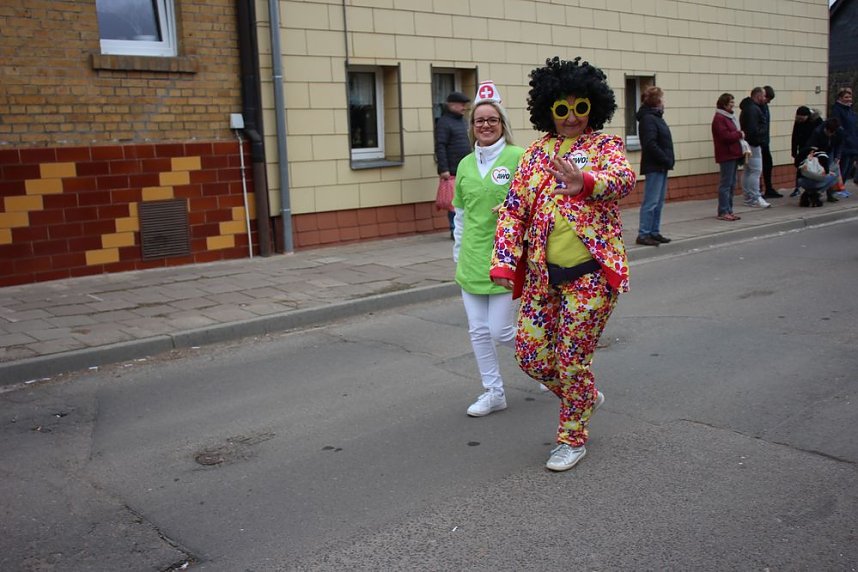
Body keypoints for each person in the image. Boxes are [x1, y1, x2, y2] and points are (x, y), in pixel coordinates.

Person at [489, 57, 636, 472]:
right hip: (542, 279)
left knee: (572, 361)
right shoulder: (535, 154)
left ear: (594, 107)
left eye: (580, 107)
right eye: (561, 108)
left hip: (590, 278)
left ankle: (571, 438)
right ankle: (583, 397)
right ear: (547, 109)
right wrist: (504, 262)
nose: (572, 117)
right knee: (531, 357)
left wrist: (585, 182)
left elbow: (623, 179)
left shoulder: (605, 147)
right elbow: (513, 210)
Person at [451, 82, 525, 417]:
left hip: (505, 260)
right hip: (471, 259)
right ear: (472, 126)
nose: (485, 125)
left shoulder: (518, 157)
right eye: (479, 120)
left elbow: (534, 207)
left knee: (501, 330)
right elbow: (461, 214)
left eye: (492, 119)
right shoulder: (465, 164)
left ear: (502, 123)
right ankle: (494, 392)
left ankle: (543, 357)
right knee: (479, 332)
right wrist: (457, 252)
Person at [635, 86, 675, 246]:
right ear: (656, 101)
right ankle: (644, 233)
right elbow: (650, 143)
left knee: (658, 202)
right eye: (661, 99)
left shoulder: (655, 117)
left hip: (661, 165)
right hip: (655, 165)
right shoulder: (648, 119)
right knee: (651, 202)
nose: (663, 102)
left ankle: (654, 231)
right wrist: (665, 158)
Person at [435, 91, 472, 238]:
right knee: (453, 201)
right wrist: (443, 168)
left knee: (464, 199)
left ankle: (463, 228)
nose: (464, 108)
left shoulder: (462, 121)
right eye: (461, 104)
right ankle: (453, 229)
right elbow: (440, 146)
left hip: (465, 168)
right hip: (451, 169)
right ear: (452, 105)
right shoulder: (444, 122)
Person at [711, 93, 746, 221]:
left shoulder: (729, 117)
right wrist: (739, 134)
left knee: (731, 183)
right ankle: (723, 211)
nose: (733, 105)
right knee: (726, 184)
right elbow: (725, 136)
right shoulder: (719, 118)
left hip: (733, 153)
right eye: (731, 102)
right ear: (724, 104)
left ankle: (729, 210)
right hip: (726, 154)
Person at [739, 87, 772, 208]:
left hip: (748, 143)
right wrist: (761, 135)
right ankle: (755, 197)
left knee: (748, 170)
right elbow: (753, 129)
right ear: (758, 96)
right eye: (763, 96)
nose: (765, 98)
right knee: (756, 171)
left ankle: (748, 197)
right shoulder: (753, 109)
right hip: (753, 144)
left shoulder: (747, 107)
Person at [790, 106, 823, 197]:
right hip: (802, 147)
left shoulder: (817, 121)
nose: (800, 120)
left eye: (802, 118)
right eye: (799, 118)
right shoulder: (798, 122)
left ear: (808, 116)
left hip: (814, 148)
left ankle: (814, 188)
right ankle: (797, 188)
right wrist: (794, 151)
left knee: (813, 168)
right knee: (800, 167)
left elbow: (821, 135)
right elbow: (795, 136)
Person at [831, 87, 857, 185]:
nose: (849, 99)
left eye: (850, 97)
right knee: (842, 169)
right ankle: (836, 188)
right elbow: (838, 127)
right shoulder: (837, 110)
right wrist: (846, 137)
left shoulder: (850, 111)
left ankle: (842, 188)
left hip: (853, 144)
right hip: (844, 145)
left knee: (848, 170)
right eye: (846, 97)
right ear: (840, 98)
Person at [760, 86, 782, 198]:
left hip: (765, 141)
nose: (769, 102)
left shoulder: (764, 107)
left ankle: (768, 188)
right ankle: (759, 190)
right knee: (758, 166)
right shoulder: (759, 107)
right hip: (760, 141)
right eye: (768, 99)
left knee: (767, 164)